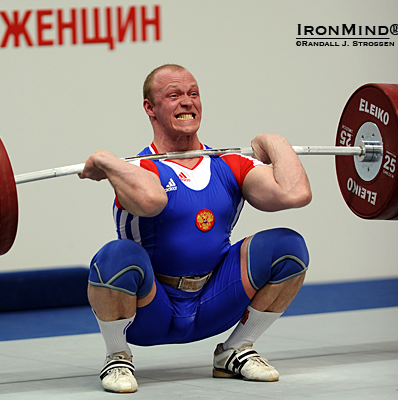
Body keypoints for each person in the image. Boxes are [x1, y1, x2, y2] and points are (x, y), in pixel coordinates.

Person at [79, 64, 312, 393]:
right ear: (150, 108)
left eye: (193, 94)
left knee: (288, 246)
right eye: (173, 95)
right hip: (150, 312)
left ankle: (235, 350)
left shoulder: (229, 163)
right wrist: (107, 160)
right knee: (116, 256)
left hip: (213, 303)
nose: (187, 102)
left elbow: (295, 193)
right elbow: (151, 201)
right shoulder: (138, 168)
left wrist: (274, 142)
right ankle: (117, 355)